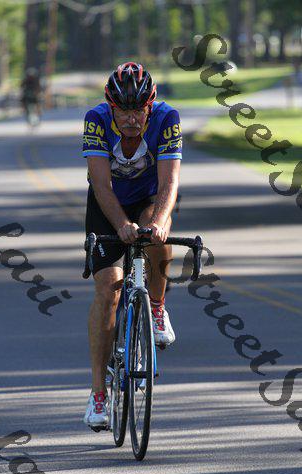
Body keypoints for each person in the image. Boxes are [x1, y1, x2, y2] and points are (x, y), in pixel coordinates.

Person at [82, 62, 182, 428]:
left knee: (157, 232)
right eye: (122, 111)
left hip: (149, 197)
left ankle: (156, 307)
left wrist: (157, 223)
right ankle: (98, 394)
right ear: (110, 107)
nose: (130, 119)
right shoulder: (95, 120)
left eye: (138, 110)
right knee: (108, 288)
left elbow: (169, 183)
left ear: (149, 106)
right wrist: (122, 225)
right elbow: (101, 185)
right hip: (107, 202)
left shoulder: (167, 119)